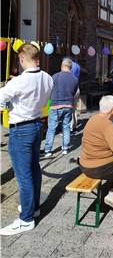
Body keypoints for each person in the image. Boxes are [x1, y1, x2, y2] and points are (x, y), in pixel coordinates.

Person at [0, 44, 53, 236]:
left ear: (22, 58)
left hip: (21, 129)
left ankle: (26, 219)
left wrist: (10, 94)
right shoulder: (47, 77)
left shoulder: (18, 82)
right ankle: (34, 207)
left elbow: (0, 100)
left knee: (23, 176)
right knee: (34, 169)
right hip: (37, 125)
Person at [44, 58, 79, 157]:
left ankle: (48, 150)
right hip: (68, 105)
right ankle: (65, 148)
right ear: (71, 68)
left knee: (51, 128)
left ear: (62, 66)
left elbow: (49, 89)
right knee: (66, 127)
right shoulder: (75, 79)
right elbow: (74, 92)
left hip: (55, 105)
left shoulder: (55, 76)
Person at [70, 59, 80, 134]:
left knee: (69, 109)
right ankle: (74, 127)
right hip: (77, 88)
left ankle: (70, 129)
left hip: (70, 88)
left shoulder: (69, 66)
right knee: (74, 109)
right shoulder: (77, 66)